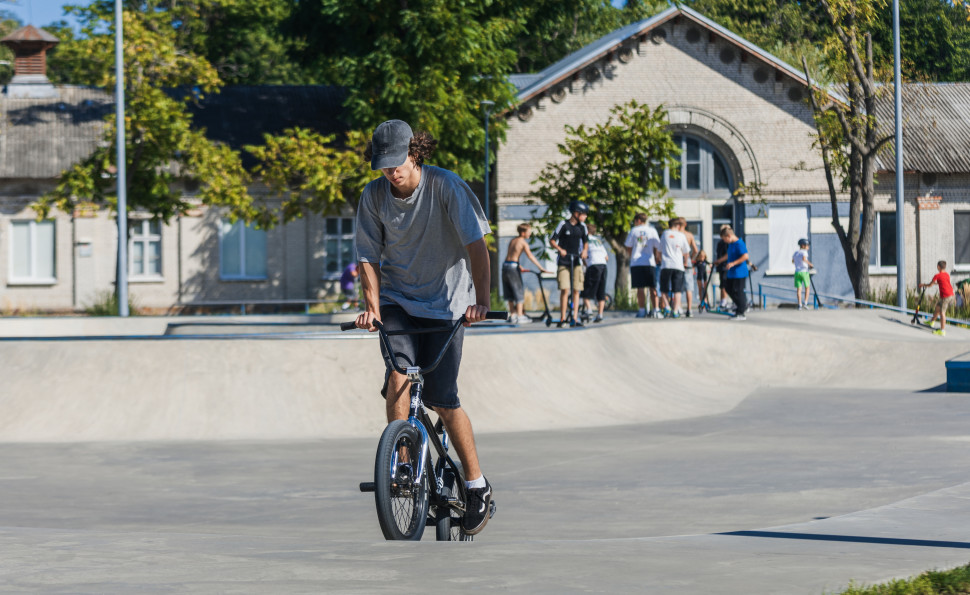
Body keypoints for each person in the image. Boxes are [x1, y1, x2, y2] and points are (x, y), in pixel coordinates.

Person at [353, 119, 493, 535]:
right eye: (383, 166)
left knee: (443, 399)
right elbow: (367, 258)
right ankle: (402, 467)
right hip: (398, 301)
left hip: (448, 305)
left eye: (397, 163)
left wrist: (481, 301)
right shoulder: (374, 196)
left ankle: (476, 484)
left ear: (415, 154)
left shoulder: (446, 187)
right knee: (398, 375)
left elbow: (477, 248)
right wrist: (372, 308)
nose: (391, 173)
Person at [550, 201, 589, 327]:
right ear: (576, 213)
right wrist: (560, 249)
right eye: (584, 214)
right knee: (565, 289)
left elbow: (586, 242)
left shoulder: (582, 227)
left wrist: (584, 251)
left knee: (577, 290)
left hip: (576, 261)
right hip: (564, 261)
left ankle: (575, 318)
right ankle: (562, 318)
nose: (585, 217)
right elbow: (552, 240)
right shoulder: (563, 224)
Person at [503, 223, 550, 324]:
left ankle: (513, 315)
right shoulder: (523, 242)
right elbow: (530, 256)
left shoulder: (513, 240)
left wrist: (519, 266)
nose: (530, 233)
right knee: (518, 291)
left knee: (509, 291)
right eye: (529, 231)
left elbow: (510, 255)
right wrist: (541, 268)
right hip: (513, 267)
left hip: (506, 266)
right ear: (523, 233)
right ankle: (520, 316)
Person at [624, 213, 662, 318]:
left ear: (639, 221)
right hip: (650, 262)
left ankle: (642, 310)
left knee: (640, 288)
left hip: (637, 262)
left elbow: (628, 247)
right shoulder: (652, 230)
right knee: (652, 287)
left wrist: (631, 256)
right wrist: (656, 257)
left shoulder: (633, 231)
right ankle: (656, 310)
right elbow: (658, 246)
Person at [714, 226, 749, 320]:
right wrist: (719, 260)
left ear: (729, 236)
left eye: (725, 239)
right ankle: (740, 307)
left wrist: (733, 263)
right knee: (728, 288)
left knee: (738, 291)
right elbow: (728, 254)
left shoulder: (739, 243)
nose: (724, 241)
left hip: (739, 272)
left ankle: (741, 312)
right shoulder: (731, 244)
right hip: (732, 273)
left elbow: (745, 256)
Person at [659, 218, 691, 318]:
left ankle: (667, 306)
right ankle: (676, 310)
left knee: (664, 289)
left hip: (666, 265)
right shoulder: (681, 235)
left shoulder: (664, 234)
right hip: (678, 265)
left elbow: (659, 250)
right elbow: (686, 252)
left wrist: (660, 260)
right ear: (677, 226)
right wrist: (685, 262)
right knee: (677, 290)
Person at [582, 222, 609, 323]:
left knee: (586, 290)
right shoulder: (598, 240)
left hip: (593, 265)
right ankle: (600, 314)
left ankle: (589, 310)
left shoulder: (584, 240)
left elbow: (583, 255)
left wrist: (586, 264)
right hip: (603, 265)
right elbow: (606, 257)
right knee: (601, 291)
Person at [920, 260, 955, 337]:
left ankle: (942, 331)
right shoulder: (946, 275)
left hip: (946, 296)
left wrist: (923, 285)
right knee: (938, 308)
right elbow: (941, 282)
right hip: (950, 295)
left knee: (942, 312)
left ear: (938, 267)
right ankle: (932, 321)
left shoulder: (937, 275)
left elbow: (930, 285)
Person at [678, 217, 699, 317]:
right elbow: (695, 250)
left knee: (677, 286)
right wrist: (691, 258)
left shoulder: (676, 235)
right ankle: (689, 309)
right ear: (685, 224)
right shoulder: (689, 235)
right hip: (687, 261)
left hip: (677, 260)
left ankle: (679, 308)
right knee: (689, 286)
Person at [792, 239, 814, 310]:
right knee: (807, 287)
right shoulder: (804, 252)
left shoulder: (795, 253)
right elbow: (804, 259)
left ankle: (799, 304)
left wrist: (798, 263)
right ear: (803, 245)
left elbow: (793, 261)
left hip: (797, 272)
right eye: (807, 245)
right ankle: (805, 303)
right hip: (804, 271)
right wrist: (810, 264)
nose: (808, 247)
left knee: (799, 289)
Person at [714, 225, 732, 310]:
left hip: (726, 266)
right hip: (722, 266)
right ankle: (723, 301)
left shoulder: (729, 243)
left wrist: (720, 261)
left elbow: (728, 255)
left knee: (726, 284)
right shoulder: (720, 243)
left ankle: (725, 301)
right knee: (722, 284)